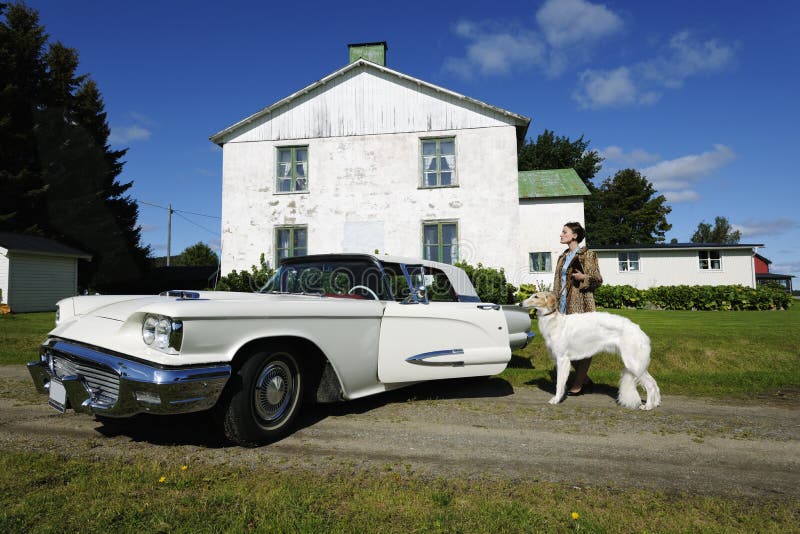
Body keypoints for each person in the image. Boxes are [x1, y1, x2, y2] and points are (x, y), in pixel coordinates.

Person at [552, 221, 603, 395]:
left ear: (574, 235)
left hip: (582, 305)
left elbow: (597, 279)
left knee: (585, 345)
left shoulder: (587, 254)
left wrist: (583, 277)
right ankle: (585, 380)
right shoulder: (563, 256)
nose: (561, 234)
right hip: (563, 307)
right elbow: (557, 283)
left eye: (564, 231)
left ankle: (578, 384)